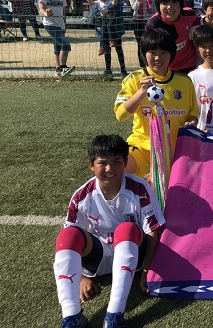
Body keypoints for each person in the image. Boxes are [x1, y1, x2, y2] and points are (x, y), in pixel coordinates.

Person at [53, 134, 165, 328]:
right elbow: (72, 240)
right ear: (91, 165)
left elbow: (153, 231)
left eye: (116, 162)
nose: (110, 169)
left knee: (126, 229)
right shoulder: (82, 195)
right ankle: (71, 316)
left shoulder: (140, 188)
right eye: (102, 163)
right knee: (67, 235)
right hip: (99, 255)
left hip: (132, 252)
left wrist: (147, 270)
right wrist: (81, 277)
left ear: (125, 162)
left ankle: (114, 315)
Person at [114, 28, 198, 178]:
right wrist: (140, 92)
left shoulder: (184, 81)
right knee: (117, 167)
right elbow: (120, 115)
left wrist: (191, 123)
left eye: (164, 53)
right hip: (143, 147)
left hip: (176, 149)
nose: (158, 58)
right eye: (152, 52)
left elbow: (193, 114)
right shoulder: (134, 79)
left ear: (171, 55)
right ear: (144, 54)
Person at [145, 0, 200, 74]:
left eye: (174, 2)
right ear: (158, 5)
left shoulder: (190, 15)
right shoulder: (153, 25)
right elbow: (147, 51)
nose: (170, 7)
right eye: (165, 3)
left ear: (181, 4)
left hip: (190, 66)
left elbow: (207, 19)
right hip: (167, 69)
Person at [187, 26, 213, 130]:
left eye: (212, 45)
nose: (208, 50)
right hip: (203, 132)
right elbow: (190, 108)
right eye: (203, 46)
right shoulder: (192, 76)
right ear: (197, 48)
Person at [38, 0, 75, 77]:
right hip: (50, 24)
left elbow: (63, 13)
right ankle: (63, 67)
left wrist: (64, 25)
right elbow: (41, 8)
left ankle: (58, 69)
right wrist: (46, 13)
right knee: (66, 44)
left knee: (57, 47)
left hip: (60, 24)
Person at [93, 0, 128, 78]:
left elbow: (119, 10)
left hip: (116, 28)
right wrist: (101, 14)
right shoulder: (98, 1)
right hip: (103, 26)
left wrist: (108, 12)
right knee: (106, 49)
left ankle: (123, 69)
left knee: (118, 49)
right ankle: (108, 69)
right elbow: (95, 12)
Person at [129, 0, 154, 68]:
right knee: (140, 43)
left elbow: (154, 8)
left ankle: (149, 63)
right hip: (138, 21)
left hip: (149, 21)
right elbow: (134, 8)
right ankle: (142, 65)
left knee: (150, 43)